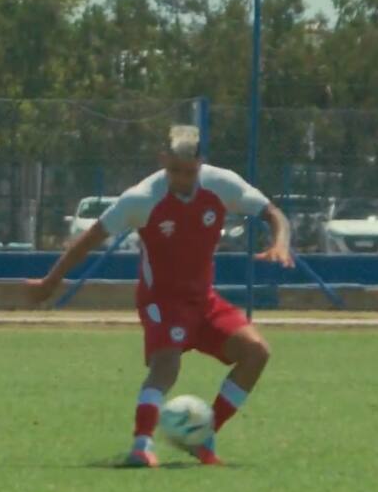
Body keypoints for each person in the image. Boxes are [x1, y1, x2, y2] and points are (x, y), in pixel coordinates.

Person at [27, 125, 293, 468]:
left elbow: (273, 212)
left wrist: (280, 241)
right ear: (163, 160)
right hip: (161, 302)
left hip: (204, 301)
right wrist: (51, 281)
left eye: (190, 172)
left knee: (256, 352)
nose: (182, 179)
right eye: (174, 171)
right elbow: (91, 238)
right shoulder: (142, 198)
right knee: (167, 364)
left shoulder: (222, 184)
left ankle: (202, 437)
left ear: (201, 163)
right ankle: (141, 446)